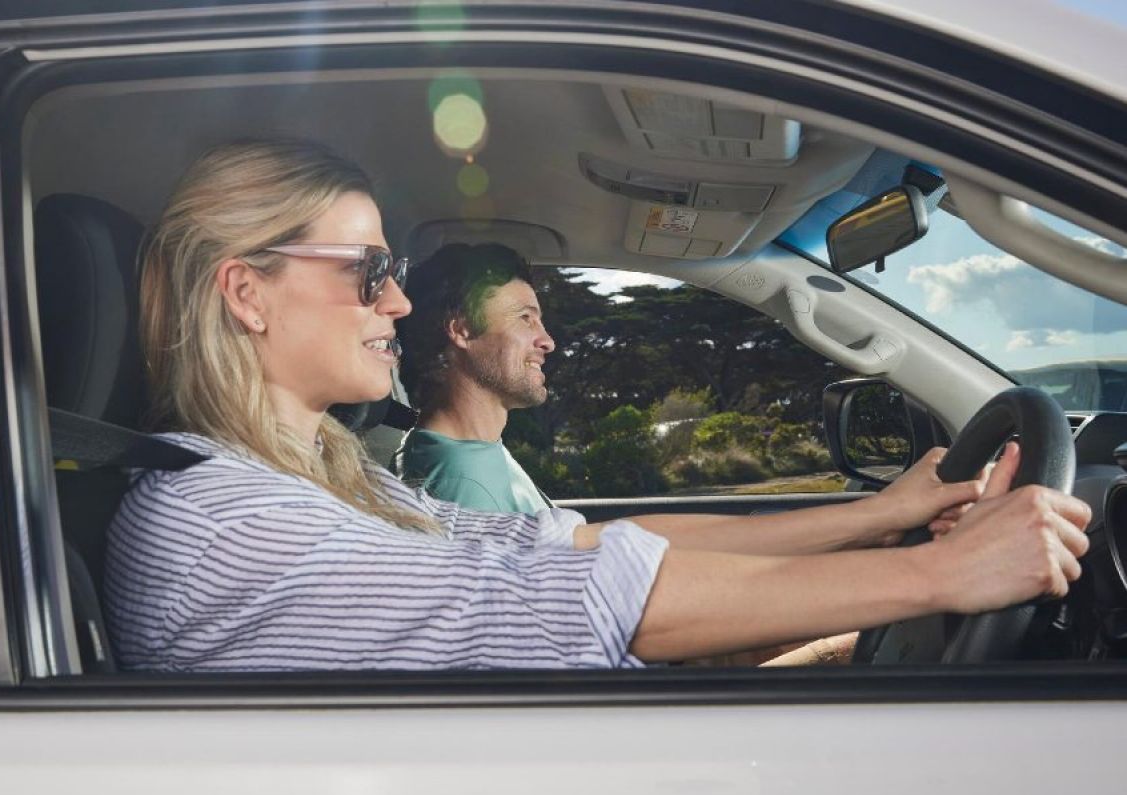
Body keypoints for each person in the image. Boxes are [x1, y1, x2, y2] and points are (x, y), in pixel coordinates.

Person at [103, 138, 1091, 672]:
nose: (398, 302)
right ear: (245, 291)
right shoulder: (215, 520)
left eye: (394, 272)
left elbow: (569, 547)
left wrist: (887, 516)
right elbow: (576, 593)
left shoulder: (332, 473)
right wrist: (938, 573)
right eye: (368, 272)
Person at [392, 242, 552, 513]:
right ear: (462, 331)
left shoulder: (465, 451)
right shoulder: (464, 487)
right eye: (526, 318)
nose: (547, 341)